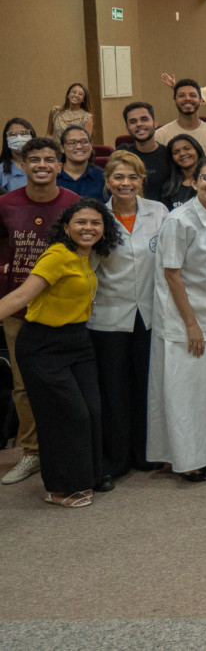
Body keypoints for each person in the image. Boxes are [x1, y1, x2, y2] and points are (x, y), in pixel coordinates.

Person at [0, 198, 118, 506]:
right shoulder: (57, 255)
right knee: (67, 416)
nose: (88, 228)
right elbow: (22, 295)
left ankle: (84, 478)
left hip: (77, 342)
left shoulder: (85, 256)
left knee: (91, 411)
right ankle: (58, 488)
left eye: (96, 223)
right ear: (66, 228)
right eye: (81, 222)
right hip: (42, 345)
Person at [147, 155, 206, 483]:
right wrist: (191, 324)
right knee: (185, 391)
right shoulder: (179, 220)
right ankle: (187, 460)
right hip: (183, 318)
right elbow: (172, 276)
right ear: (193, 182)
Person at [0, 137, 80, 486]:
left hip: (65, 310)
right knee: (23, 384)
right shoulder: (5, 204)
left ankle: (70, 448)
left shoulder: (75, 204)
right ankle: (32, 452)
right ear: (23, 165)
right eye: (35, 160)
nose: (42, 165)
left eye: (50, 159)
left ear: (60, 165)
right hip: (18, 308)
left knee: (68, 384)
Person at [89, 154, 167, 485]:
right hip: (108, 316)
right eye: (118, 177)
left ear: (141, 181)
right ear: (107, 181)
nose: (126, 183)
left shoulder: (158, 212)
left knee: (145, 386)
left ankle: (144, 452)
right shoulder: (96, 216)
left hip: (149, 314)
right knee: (114, 389)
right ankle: (115, 459)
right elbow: (88, 268)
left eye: (132, 177)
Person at [154, 79, 206, 158]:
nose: (187, 98)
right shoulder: (160, 136)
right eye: (181, 95)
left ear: (201, 100)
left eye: (193, 95)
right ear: (174, 101)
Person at [56, 125, 104, 201]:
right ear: (62, 148)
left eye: (84, 142)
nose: (79, 146)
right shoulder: (53, 177)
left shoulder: (103, 177)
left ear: (91, 146)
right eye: (72, 143)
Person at [160, 134, 204, 209]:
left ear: (197, 150)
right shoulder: (169, 188)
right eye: (176, 152)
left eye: (187, 148)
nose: (182, 154)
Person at [0, 118, 35, 191]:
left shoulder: (44, 165)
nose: (19, 138)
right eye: (13, 134)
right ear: (6, 139)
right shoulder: (1, 170)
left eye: (24, 133)